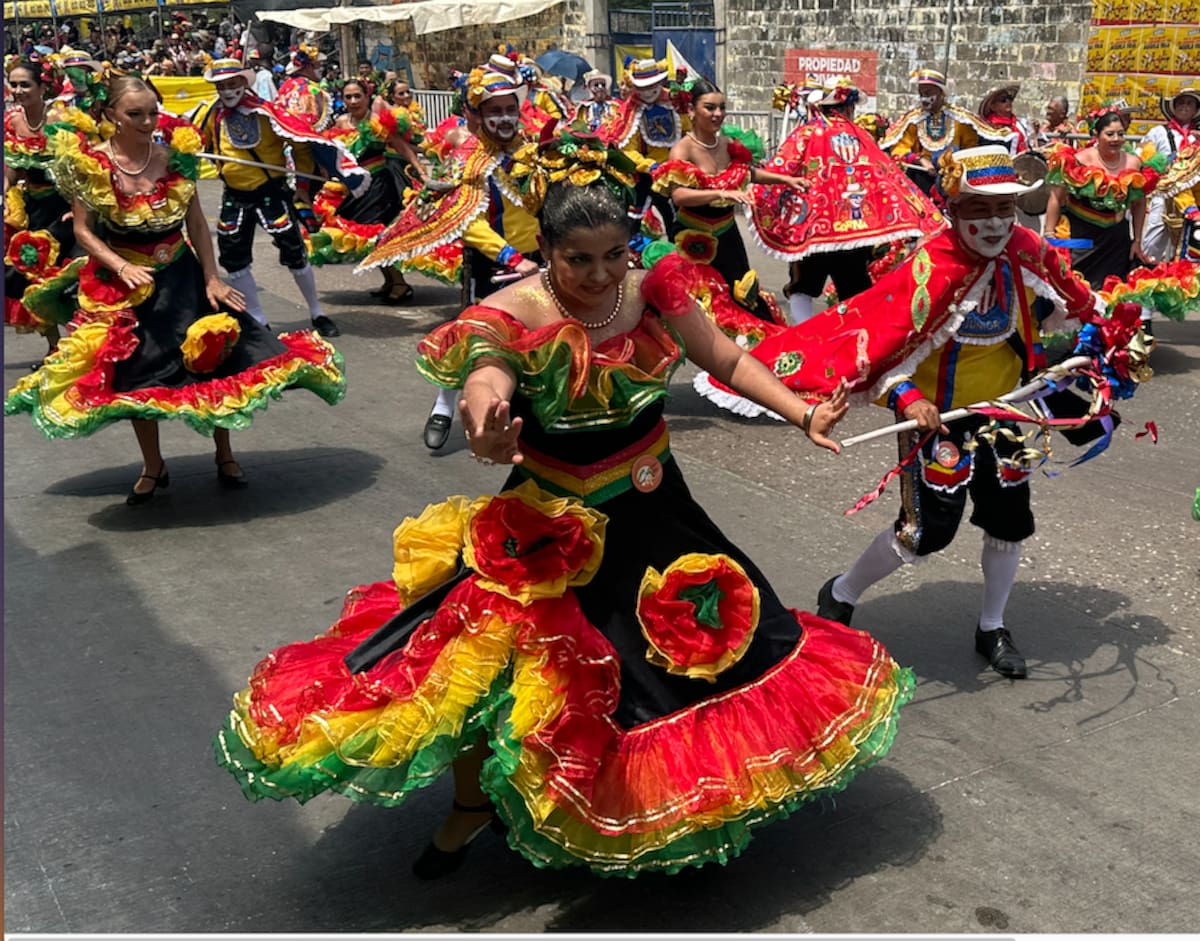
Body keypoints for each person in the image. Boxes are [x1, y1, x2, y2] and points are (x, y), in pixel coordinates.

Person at [213, 140, 914, 879]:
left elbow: (727, 358)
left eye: (614, 255)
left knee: (687, 662)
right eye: (579, 259)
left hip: (657, 510)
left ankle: (667, 799)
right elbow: (486, 378)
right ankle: (472, 804)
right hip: (546, 524)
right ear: (546, 250)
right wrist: (486, 424)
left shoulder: (653, 288)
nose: (600, 274)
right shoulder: (510, 311)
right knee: (480, 669)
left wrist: (801, 413)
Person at [804, 146, 1130, 678]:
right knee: (926, 532)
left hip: (1008, 412)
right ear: (953, 209)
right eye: (980, 209)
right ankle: (841, 592)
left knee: (1009, 522)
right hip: (938, 419)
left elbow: (1082, 305)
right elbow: (879, 351)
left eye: (1005, 208)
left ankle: (992, 626)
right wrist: (911, 400)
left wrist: (1114, 343)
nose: (997, 222)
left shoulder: (1027, 250)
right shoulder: (929, 266)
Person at [5, 76, 347, 504]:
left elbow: (197, 224)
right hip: (129, 286)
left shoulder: (174, 158)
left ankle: (224, 454)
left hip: (183, 276)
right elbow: (83, 231)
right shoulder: (92, 165)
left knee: (214, 357)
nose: (148, 121)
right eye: (135, 114)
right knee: (135, 374)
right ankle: (153, 465)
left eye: (152, 112)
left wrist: (212, 278)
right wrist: (121, 265)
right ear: (111, 115)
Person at [359, 68, 542, 451]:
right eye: (495, 111)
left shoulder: (531, 148)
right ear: (476, 114)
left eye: (511, 109)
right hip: (494, 264)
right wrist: (511, 258)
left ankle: (530, 416)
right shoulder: (467, 158)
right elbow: (466, 221)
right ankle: (444, 405)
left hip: (538, 259)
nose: (505, 118)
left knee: (539, 337)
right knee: (474, 336)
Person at [191, 58, 372, 338]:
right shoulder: (211, 115)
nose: (226, 90)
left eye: (231, 83)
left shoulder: (267, 113)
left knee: (294, 252)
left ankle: (317, 312)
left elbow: (299, 143)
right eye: (221, 85)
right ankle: (258, 319)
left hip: (271, 192)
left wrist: (302, 185)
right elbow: (192, 140)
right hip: (235, 196)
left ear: (243, 83)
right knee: (234, 256)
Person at [750, 75, 945, 324]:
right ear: (849, 107)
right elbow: (885, 174)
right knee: (854, 288)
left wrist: (757, 192)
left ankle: (803, 333)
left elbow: (783, 168)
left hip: (815, 225)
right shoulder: (860, 135)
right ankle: (854, 337)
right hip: (854, 227)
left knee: (803, 285)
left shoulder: (806, 133)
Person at [652, 77, 806, 322]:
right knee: (702, 302)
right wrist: (721, 193)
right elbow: (679, 196)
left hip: (728, 234)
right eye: (710, 107)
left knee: (743, 295)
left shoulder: (727, 143)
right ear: (691, 110)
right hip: (693, 238)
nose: (718, 114)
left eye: (722, 107)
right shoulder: (683, 149)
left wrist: (786, 180)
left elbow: (748, 173)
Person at [307, 78, 425, 303]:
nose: (353, 101)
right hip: (353, 188)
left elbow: (400, 146)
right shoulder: (341, 122)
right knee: (364, 236)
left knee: (376, 234)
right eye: (348, 97)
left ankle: (400, 283)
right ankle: (389, 281)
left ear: (367, 96)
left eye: (357, 96)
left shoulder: (377, 120)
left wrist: (420, 170)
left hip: (379, 185)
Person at [1043, 107, 1157, 331]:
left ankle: (1106, 336)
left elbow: (1139, 203)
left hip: (1115, 238)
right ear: (1097, 135)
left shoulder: (1133, 163)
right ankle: (1075, 336)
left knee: (1112, 290)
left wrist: (1137, 240)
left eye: (1121, 134)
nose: (1116, 139)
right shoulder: (1079, 160)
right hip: (1080, 237)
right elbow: (1056, 197)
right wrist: (1049, 234)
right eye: (1110, 134)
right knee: (1077, 288)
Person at [4, 57, 76, 356]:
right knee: (27, 276)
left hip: (65, 207)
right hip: (33, 206)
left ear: (43, 87)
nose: (18, 91)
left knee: (67, 278)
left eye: (25, 85)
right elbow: (12, 166)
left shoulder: (59, 118)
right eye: (14, 85)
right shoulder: (12, 121)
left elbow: (80, 166)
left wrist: (79, 208)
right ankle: (54, 346)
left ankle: (80, 346)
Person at [880, 67, 1014, 196]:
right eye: (921, 94)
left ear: (941, 94)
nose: (924, 99)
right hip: (922, 178)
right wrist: (919, 160)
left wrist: (955, 166)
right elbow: (899, 149)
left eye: (928, 93)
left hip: (954, 179)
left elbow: (970, 147)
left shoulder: (959, 119)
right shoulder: (914, 120)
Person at [1141, 87, 1200, 262]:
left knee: (1186, 244)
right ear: (1173, 107)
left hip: (1192, 199)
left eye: (1189, 103)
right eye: (1180, 103)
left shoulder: (1198, 135)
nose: (1184, 107)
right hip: (1163, 194)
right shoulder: (1157, 132)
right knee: (1153, 243)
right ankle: (1143, 271)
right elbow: (1144, 158)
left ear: (1196, 109)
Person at [978, 82, 1031, 155]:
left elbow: (1028, 143)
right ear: (993, 107)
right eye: (1003, 100)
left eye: (1010, 99)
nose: (1008, 102)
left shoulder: (1019, 123)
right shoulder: (989, 127)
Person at [575, 68, 616, 132]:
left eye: (603, 85)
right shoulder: (583, 108)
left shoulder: (615, 105)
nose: (600, 87)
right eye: (596, 85)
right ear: (589, 87)